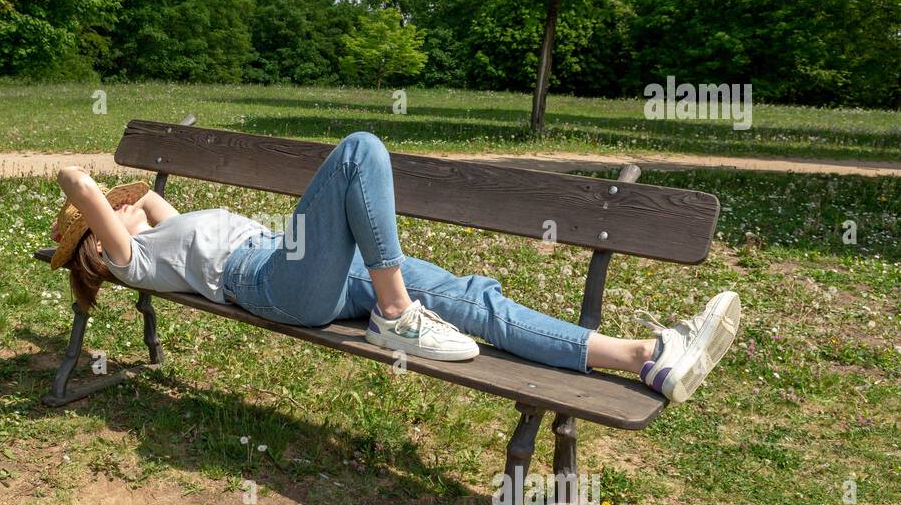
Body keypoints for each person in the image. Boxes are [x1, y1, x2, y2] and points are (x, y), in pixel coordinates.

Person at [49, 132, 740, 403]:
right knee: (358, 153)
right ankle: (397, 313)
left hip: (306, 263)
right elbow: (83, 188)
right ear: (98, 251)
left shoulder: (164, 230)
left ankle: (646, 357)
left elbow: (151, 198)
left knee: (474, 299)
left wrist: (135, 200)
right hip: (274, 283)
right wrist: (85, 219)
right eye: (104, 227)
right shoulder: (133, 260)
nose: (126, 209)